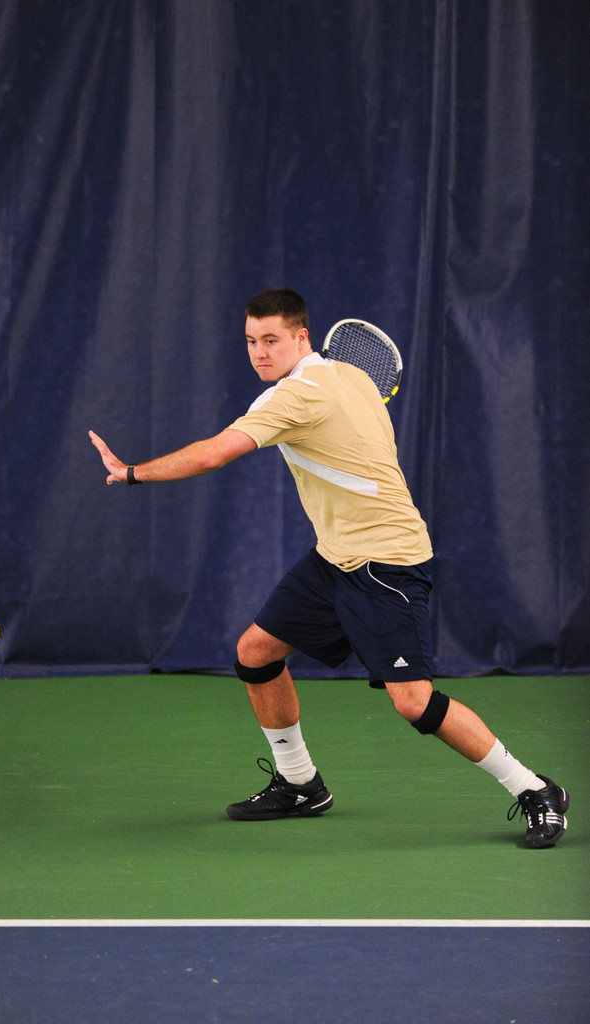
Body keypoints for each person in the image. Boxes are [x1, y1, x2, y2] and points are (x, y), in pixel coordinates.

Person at [89, 288, 569, 848]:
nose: (260, 352)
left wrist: (130, 473)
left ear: (301, 338)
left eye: (272, 340)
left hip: (386, 563)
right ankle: (300, 783)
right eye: (250, 341)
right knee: (256, 652)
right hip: (336, 557)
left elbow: (214, 453)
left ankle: (535, 789)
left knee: (413, 701)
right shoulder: (352, 375)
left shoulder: (293, 397)